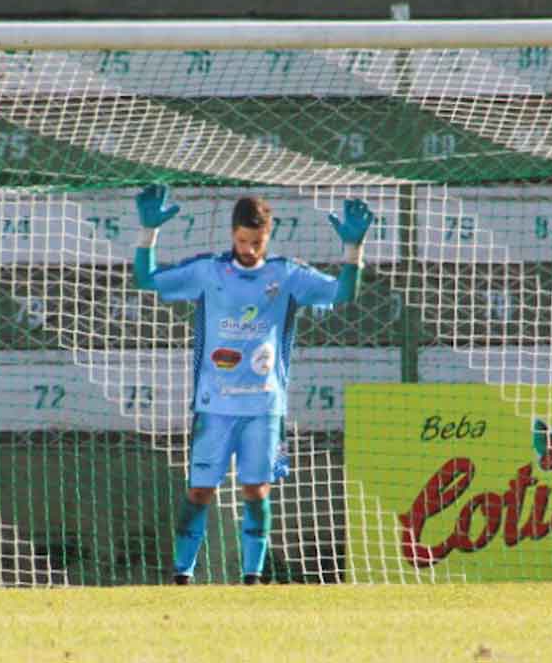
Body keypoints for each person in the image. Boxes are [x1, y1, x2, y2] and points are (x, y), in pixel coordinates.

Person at [132, 183, 373, 585]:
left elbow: (344, 292)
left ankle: (252, 578)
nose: (249, 249)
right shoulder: (210, 271)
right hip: (214, 407)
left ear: (268, 236)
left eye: (257, 241)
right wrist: (148, 232)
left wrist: (354, 249)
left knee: (257, 491)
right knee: (198, 493)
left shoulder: (287, 275)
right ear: (232, 234)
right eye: (243, 241)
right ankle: (181, 575)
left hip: (264, 407)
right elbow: (147, 279)